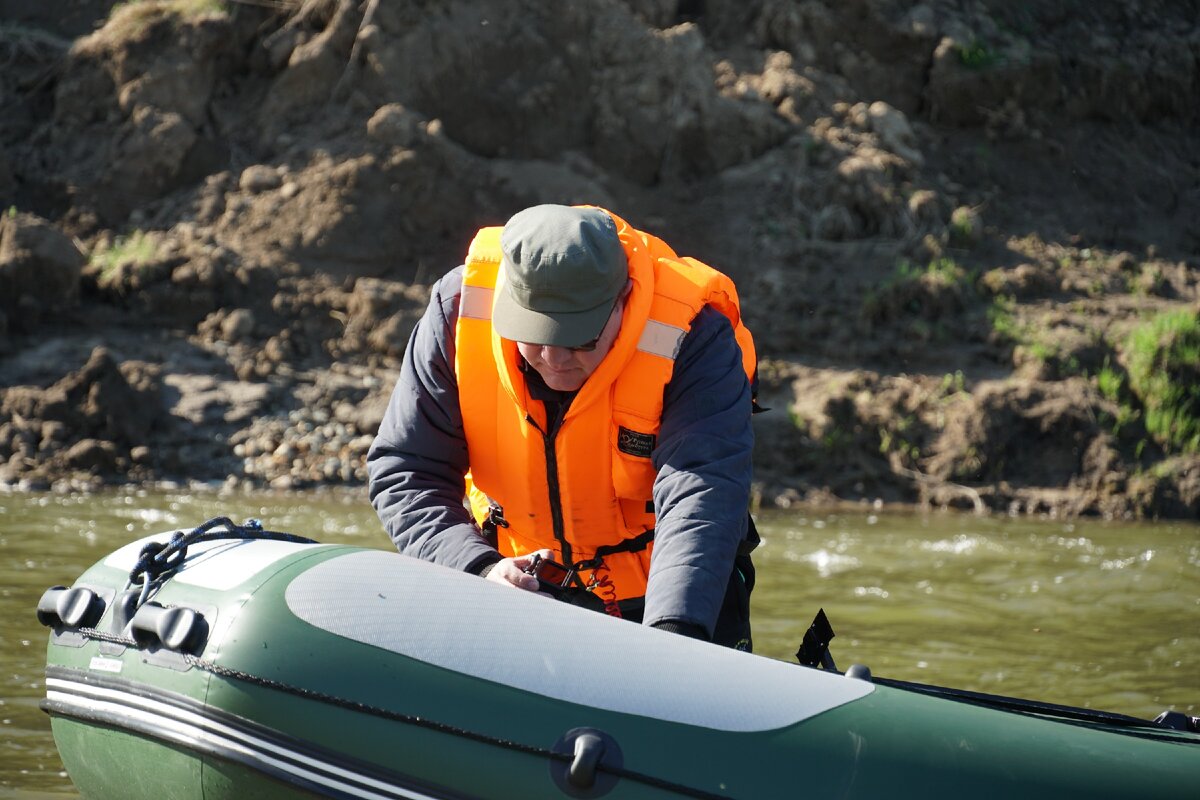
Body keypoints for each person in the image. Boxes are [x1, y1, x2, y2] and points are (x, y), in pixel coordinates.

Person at [367, 204, 759, 649]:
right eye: (533, 335)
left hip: (671, 603)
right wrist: (476, 568)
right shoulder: (458, 311)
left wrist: (674, 637)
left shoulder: (693, 336)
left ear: (624, 299)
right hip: (512, 591)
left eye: (580, 340)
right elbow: (406, 471)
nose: (553, 360)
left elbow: (703, 492)